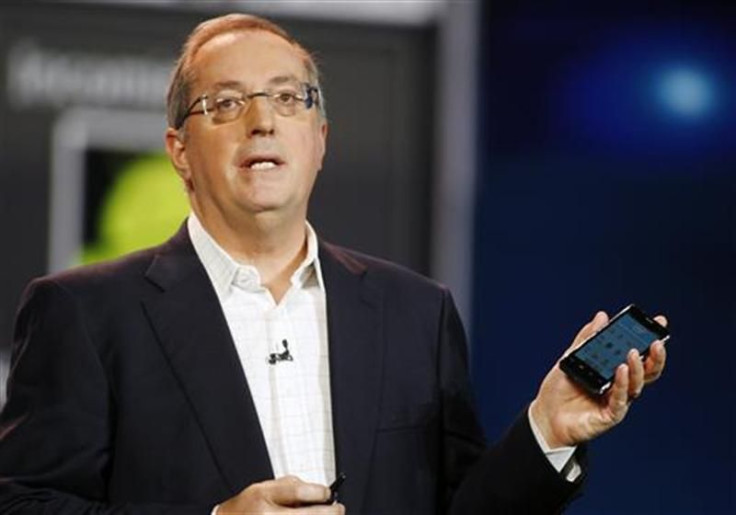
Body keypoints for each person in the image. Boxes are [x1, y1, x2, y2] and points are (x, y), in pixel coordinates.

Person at [0, 13, 667, 515]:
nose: (261, 121)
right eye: (227, 103)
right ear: (179, 150)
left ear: (318, 140)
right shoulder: (85, 312)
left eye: (288, 98)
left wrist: (546, 429)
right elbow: (23, 502)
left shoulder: (415, 312)